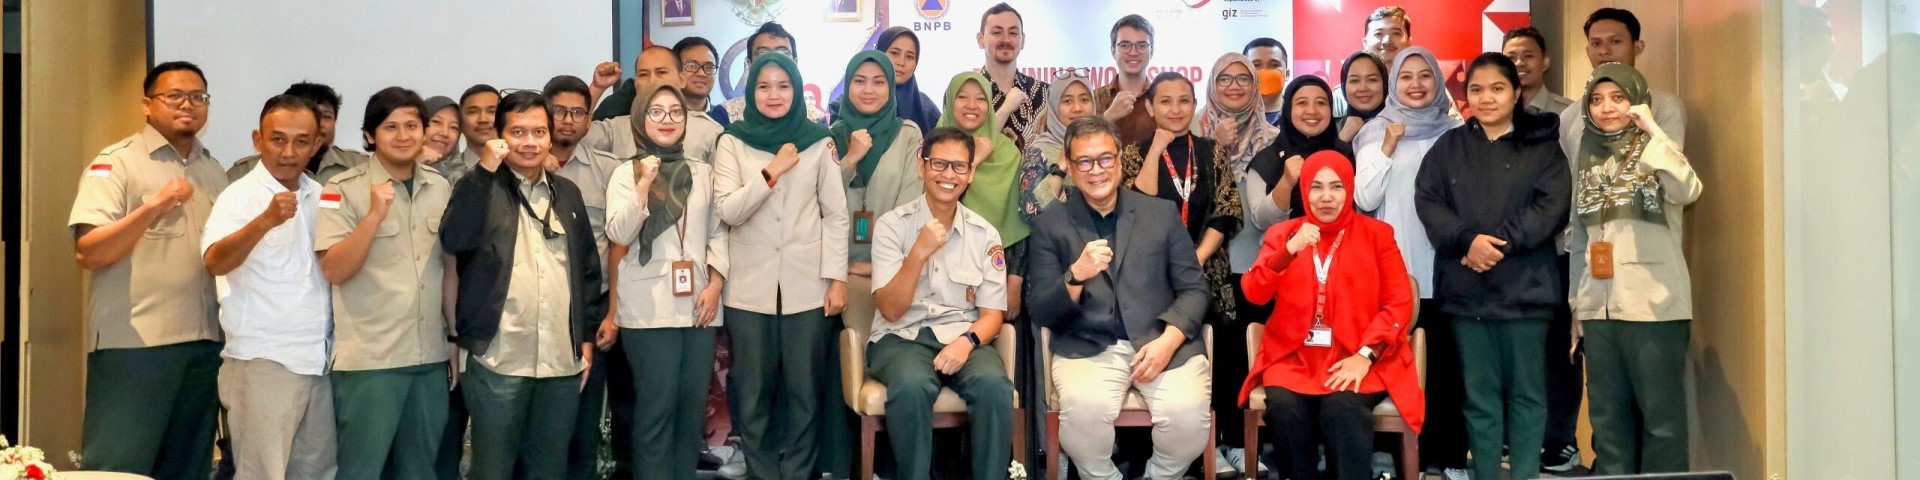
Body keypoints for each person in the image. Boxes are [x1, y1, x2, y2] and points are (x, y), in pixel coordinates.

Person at [1414, 53, 1572, 480]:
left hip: (1526, 292)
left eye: (1498, 88)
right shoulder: (1449, 146)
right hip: (1466, 294)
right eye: (1477, 90)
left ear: (1516, 93)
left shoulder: (1542, 146)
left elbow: (1551, 206)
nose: (1487, 98)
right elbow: (1428, 199)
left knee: (1527, 396)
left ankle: (1523, 476)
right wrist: (1466, 242)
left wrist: (1496, 245)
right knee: (1478, 399)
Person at [1029, 116, 1212, 480]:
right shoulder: (1051, 224)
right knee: (1082, 417)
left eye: (1105, 159)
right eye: (1084, 161)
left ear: (1119, 160)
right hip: (1088, 346)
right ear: (1068, 164)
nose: (1096, 170)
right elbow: (1042, 311)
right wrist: (1075, 275)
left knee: (1189, 417)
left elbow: (1195, 289)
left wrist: (1169, 340)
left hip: (1162, 343)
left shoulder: (1159, 213)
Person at [68, 61, 226, 480]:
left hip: (204, 344)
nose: (187, 105)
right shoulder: (116, 163)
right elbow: (89, 252)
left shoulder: (213, 171)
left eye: (198, 97)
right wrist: (154, 206)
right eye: (174, 96)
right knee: (120, 469)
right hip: (135, 345)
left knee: (188, 467)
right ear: (146, 104)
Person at [441, 90, 606, 480]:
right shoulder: (478, 185)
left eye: (538, 132)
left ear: (550, 137)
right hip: (498, 357)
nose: (529, 142)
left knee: (549, 468)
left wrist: (583, 338)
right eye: (517, 132)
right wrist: (483, 170)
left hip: (560, 361)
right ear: (499, 137)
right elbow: (454, 239)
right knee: (493, 468)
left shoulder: (567, 193)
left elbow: (587, 269)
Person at [1239, 150, 1425, 480]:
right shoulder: (1284, 234)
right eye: (1317, 187)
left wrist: (1365, 356)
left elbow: (1398, 303)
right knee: (1284, 406)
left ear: (1349, 189)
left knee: (1342, 407)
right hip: (1294, 357)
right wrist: (1288, 252)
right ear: (1305, 190)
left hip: (1358, 355)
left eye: (1336, 187)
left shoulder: (1376, 234)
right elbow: (1254, 292)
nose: (1326, 197)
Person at [711, 52, 850, 480]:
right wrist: (770, 173)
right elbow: (728, 210)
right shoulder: (731, 140)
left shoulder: (819, 140)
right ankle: (763, 472)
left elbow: (836, 215)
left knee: (805, 392)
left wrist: (837, 279)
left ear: (797, 89)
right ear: (750, 92)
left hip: (808, 287)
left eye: (783, 86)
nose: (774, 95)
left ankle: (800, 473)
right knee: (752, 392)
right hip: (748, 289)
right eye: (764, 86)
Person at [1566, 63, 1702, 476]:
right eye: (1597, 99)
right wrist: (1576, 304)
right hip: (1598, 307)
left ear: (1638, 102)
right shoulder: (1586, 156)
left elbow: (1688, 189)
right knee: (1607, 422)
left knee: (1661, 424)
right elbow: (1580, 238)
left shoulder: (1658, 149)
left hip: (1653, 307)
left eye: (1619, 98)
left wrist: (1653, 133)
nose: (1607, 108)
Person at [317, 87, 457, 480]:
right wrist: (373, 218)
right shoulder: (338, 189)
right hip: (370, 363)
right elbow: (334, 270)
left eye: (412, 125)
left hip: (428, 358)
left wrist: (452, 338)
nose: (403, 135)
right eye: (390, 126)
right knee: (361, 471)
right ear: (368, 136)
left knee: (420, 472)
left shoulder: (440, 187)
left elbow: (448, 268)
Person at [866, 127, 1017, 480]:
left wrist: (966, 343)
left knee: (995, 387)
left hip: (963, 335)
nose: (948, 175)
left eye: (958, 167)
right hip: (901, 337)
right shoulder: (892, 226)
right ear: (922, 166)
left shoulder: (985, 234)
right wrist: (916, 254)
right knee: (912, 386)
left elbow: (993, 315)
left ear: (971, 173)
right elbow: (889, 310)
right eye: (939, 164)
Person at [201, 93, 336, 480]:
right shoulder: (240, 195)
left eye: (301, 141)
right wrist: (263, 222)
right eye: (278, 139)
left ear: (316, 144)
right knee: (263, 474)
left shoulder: (320, 194)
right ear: (258, 141)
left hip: (318, 361)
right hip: (264, 362)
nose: (289, 151)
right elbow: (214, 261)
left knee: (317, 473)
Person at [1350, 46, 1467, 480]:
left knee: (1445, 371)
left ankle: (1446, 457)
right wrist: (1386, 146)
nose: (1416, 84)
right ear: (1393, 83)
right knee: (1388, 367)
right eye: (1406, 77)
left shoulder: (1458, 132)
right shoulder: (1377, 130)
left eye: (1425, 76)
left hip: (1449, 268)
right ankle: (1389, 458)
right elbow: (1365, 198)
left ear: (1438, 81)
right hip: (1392, 274)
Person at [605, 84, 731, 480]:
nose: (667, 120)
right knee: (656, 410)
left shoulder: (704, 172)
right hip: (647, 310)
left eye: (676, 112)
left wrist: (715, 283)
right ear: (641, 119)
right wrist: (643, 187)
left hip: (699, 304)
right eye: (656, 112)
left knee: (690, 410)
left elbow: (718, 233)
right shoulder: (625, 173)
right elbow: (619, 234)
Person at [534, 74, 630, 480]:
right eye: (559, 111)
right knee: (539, 432)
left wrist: (612, 313)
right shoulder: (515, 168)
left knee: (583, 430)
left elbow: (619, 246)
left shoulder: (609, 171)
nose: (568, 120)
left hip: (590, 313)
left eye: (579, 112)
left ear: (589, 119)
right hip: (536, 312)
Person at [1189, 52, 1279, 478]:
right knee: (1211, 360)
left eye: (1244, 78)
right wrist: (1216, 150)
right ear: (1211, 83)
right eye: (1224, 78)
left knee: (1246, 360)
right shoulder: (1191, 131)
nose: (1234, 86)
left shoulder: (1273, 138)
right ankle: (1208, 444)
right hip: (1203, 267)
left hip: (1256, 266)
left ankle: (1243, 444)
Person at [1122, 72, 1242, 331]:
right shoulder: (1135, 152)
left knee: (1211, 356)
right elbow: (1136, 206)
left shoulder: (1211, 150)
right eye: (1165, 102)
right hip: (1150, 275)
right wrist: (1155, 149)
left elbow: (1226, 211)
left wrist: (1195, 260)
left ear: (1195, 104)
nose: (1176, 110)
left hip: (1205, 270)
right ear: (1150, 107)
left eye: (1184, 101)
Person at [834, 51, 926, 285]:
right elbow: (822, 202)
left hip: (891, 270)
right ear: (847, 85)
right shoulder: (831, 135)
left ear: (891, 86)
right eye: (859, 81)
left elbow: (910, 207)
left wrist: (880, 264)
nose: (868, 90)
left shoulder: (907, 134)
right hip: (836, 271)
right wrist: (850, 160)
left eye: (878, 82)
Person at [1560, 7, 1688, 155]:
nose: (1604, 51)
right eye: (1596, 44)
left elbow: (1672, 167)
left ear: (1637, 47)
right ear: (1588, 51)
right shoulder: (1570, 116)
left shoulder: (1666, 107)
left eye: (1615, 41)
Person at [584, 45, 725, 164]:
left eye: (661, 72)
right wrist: (597, 88)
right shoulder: (615, 129)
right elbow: (574, 138)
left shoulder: (709, 131)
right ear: (635, 83)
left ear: (682, 80)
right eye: (644, 74)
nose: (652, 80)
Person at [226, 82, 371, 184]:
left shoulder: (359, 166)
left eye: (326, 116)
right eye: (310, 117)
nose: (318, 124)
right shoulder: (244, 172)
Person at [831, 27, 942, 138]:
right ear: (879, 53)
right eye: (894, 53)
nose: (901, 62)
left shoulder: (927, 110)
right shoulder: (845, 105)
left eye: (909, 56)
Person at [715, 22, 830, 126]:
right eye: (762, 54)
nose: (773, 59)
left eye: (782, 53)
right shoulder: (725, 115)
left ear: (795, 63)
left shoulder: (815, 120)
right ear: (749, 64)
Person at [976, 3, 1048, 150]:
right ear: (980, 39)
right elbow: (961, 151)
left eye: (1013, 33)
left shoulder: (1044, 92)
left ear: (1023, 40)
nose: (1006, 39)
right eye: (997, 32)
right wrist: (1006, 109)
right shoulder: (962, 93)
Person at [1333, 6, 1413, 118]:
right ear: (1365, 43)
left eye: (1396, 33)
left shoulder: (1424, 91)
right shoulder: (1339, 97)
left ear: (1409, 42)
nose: (1386, 41)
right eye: (1378, 34)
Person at [1096, 14, 1159, 146]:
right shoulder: (1093, 99)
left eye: (1142, 45)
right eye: (1125, 45)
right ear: (1113, 50)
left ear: (1151, 51)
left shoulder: (1162, 98)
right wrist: (1107, 118)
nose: (1133, 52)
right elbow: (1078, 145)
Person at [1503, 27, 1572, 116]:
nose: (1519, 63)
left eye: (1528, 56)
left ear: (1545, 63)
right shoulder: (1489, 112)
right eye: (1511, 57)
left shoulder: (1569, 112)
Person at [446, 84, 500, 184]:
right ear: (460, 121)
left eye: (492, 111)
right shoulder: (442, 173)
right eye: (473, 112)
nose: (483, 119)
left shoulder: (520, 169)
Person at [1336, 52, 1389, 143]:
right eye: (1354, 81)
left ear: (1384, 84)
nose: (1363, 88)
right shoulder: (1330, 129)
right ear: (1344, 86)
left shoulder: (1404, 126)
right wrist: (1342, 140)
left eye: (1372, 80)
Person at [1242, 38, 1292, 126]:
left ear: (1286, 75)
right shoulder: (1226, 119)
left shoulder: (1299, 117)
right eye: (1256, 65)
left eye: (1274, 65)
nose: (1264, 71)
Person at [423, 95, 465, 174]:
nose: (445, 133)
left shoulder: (467, 179)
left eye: (454, 127)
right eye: (436, 122)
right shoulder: (394, 165)